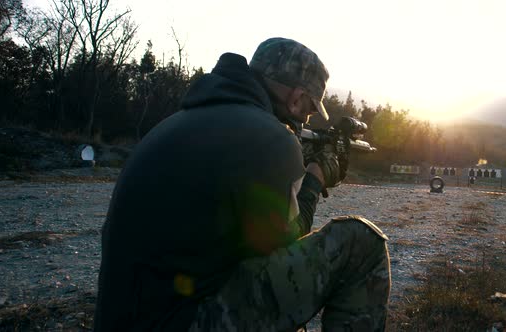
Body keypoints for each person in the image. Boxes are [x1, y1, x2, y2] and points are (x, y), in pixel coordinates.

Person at [94, 37, 391, 331]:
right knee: (361, 241)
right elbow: (281, 247)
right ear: (297, 97)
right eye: (310, 110)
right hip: (186, 319)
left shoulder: (181, 121)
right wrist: (314, 178)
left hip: (134, 315)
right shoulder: (271, 137)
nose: (306, 118)